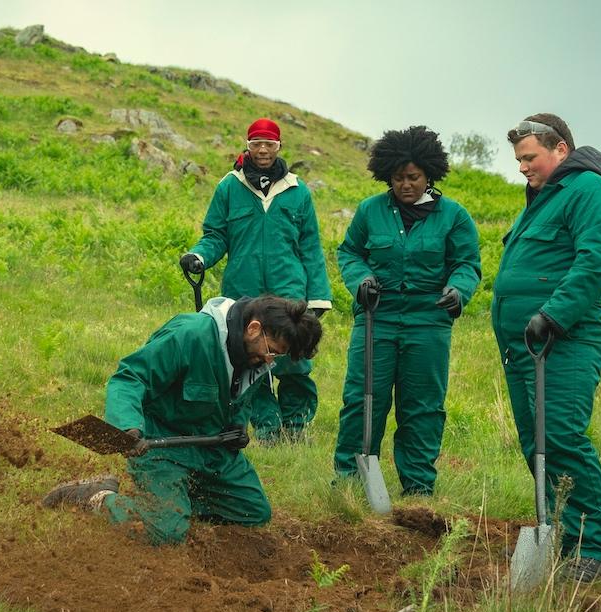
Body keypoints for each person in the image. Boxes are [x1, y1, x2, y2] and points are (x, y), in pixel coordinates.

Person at [42, 296, 323, 545]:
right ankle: (97, 497)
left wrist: (237, 426)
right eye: (272, 351)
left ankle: (172, 503)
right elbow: (130, 376)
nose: (270, 360)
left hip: (211, 448)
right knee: (165, 532)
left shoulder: (255, 357)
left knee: (254, 511)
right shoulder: (191, 335)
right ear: (253, 329)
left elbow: (240, 397)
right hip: (161, 446)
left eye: (278, 356)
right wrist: (128, 426)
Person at [493, 113, 601, 582]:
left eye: (529, 158)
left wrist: (552, 315)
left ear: (561, 149)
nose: (522, 168)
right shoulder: (544, 198)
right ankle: (565, 535)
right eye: (519, 160)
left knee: (562, 437)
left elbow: (596, 263)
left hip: (563, 341)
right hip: (524, 347)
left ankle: (597, 548)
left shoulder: (590, 190)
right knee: (536, 442)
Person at [332, 126, 482, 496]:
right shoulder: (371, 211)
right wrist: (361, 279)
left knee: (422, 408)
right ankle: (351, 481)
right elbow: (350, 252)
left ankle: (417, 488)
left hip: (428, 323)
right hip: (375, 320)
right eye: (398, 178)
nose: (406, 185)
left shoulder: (454, 216)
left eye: (413, 177)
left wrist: (458, 290)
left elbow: (467, 263)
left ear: (429, 175)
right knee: (363, 399)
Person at [179, 118, 332, 444]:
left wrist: (317, 298)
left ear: (279, 147)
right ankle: (267, 430)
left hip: (290, 293)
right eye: (256, 143)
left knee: (293, 361)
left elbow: (310, 246)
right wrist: (199, 256)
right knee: (250, 361)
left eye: (269, 144)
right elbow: (216, 236)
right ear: (247, 145)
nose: (262, 149)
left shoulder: (297, 190)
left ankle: (296, 427)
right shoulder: (229, 187)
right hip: (244, 293)